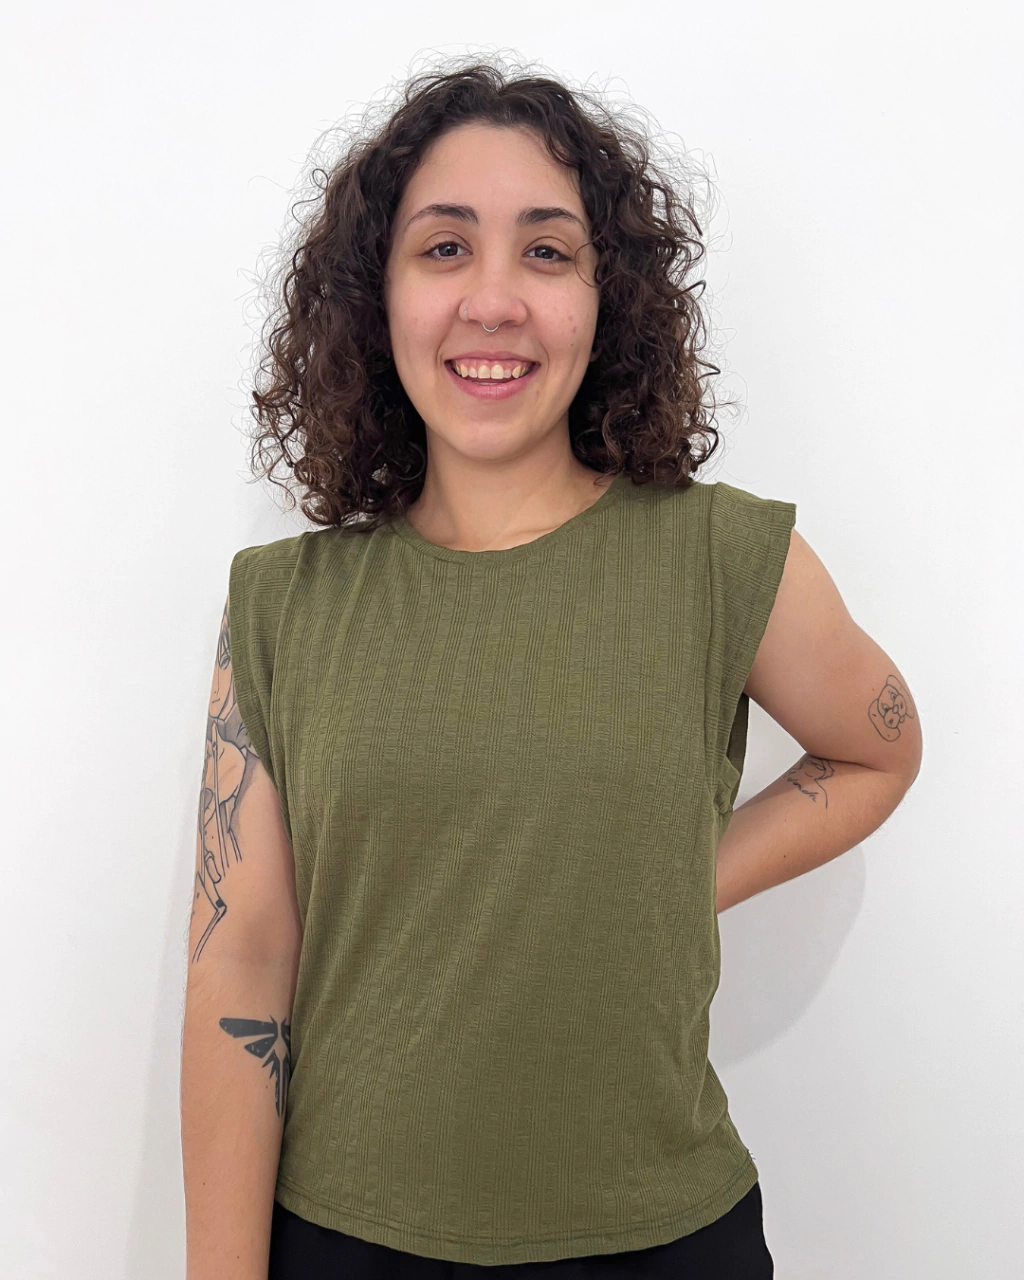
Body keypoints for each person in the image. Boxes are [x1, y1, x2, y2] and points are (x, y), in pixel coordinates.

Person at [180, 56, 923, 1280]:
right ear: (375, 297)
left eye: (545, 251)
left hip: (664, 1238)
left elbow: (879, 747)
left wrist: (677, 877)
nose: (493, 300)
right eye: (443, 248)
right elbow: (242, 960)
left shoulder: (724, 557)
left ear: (603, 295)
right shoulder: (283, 604)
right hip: (349, 1240)